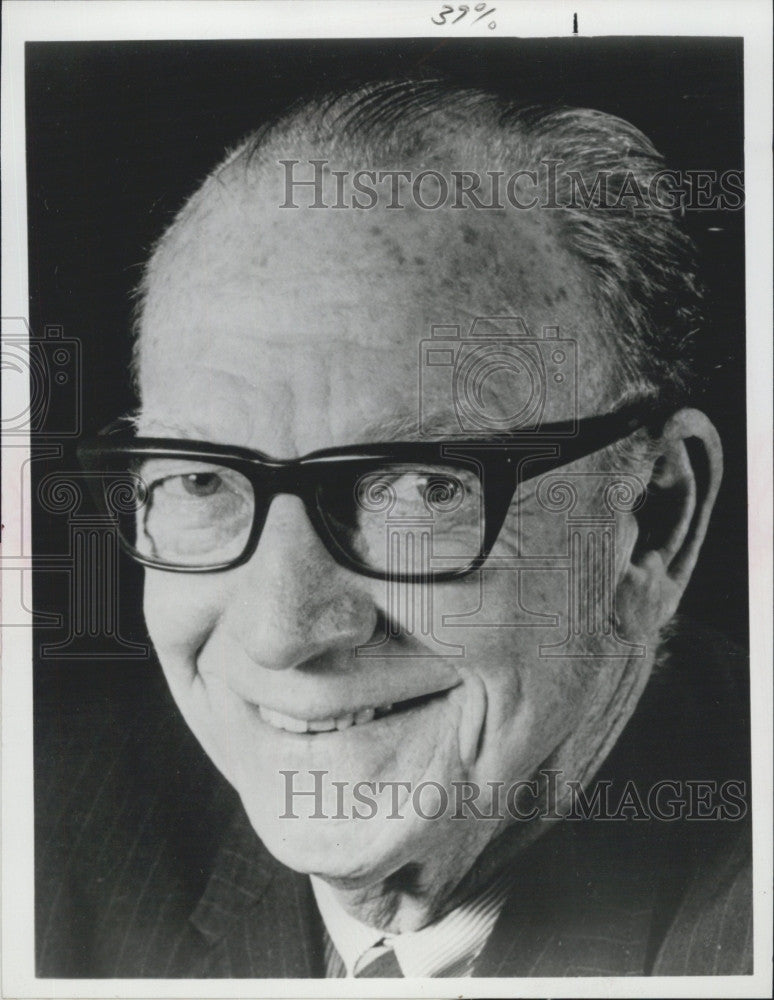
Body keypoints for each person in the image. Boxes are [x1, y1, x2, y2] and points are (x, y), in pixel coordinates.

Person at [36, 79, 752, 978]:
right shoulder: (46, 838)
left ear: (652, 522)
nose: (282, 632)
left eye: (420, 488)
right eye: (202, 479)